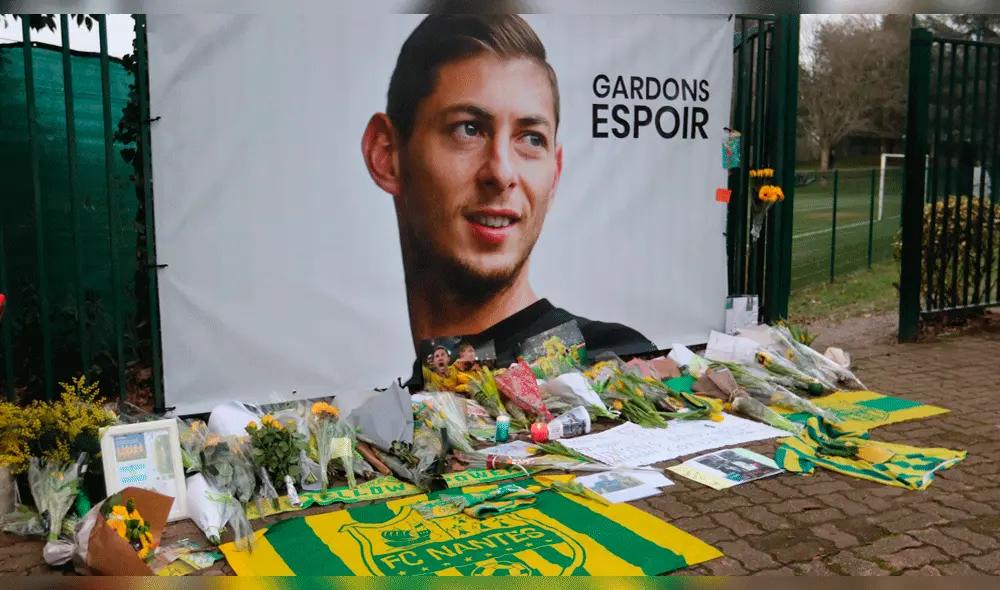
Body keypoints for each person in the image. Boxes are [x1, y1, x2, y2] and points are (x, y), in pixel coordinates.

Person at [360, 14, 655, 391]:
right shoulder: (402, 406)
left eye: (531, 139)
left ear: (555, 173)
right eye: (468, 128)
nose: (501, 173)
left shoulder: (612, 363)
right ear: (386, 154)